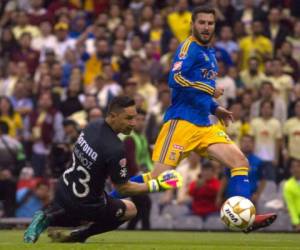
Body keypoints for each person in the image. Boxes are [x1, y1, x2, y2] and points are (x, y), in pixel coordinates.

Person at [110, 5, 276, 233]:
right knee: (156, 179)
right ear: (193, 24)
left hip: (204, 125)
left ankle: (246, 217)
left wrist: (216, 108)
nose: (206, 27)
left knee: (240, 163)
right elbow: (175, 79)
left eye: (210, 23)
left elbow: (198, 94)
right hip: (181, 124)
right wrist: (209, 90)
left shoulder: (210, 53)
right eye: (202, 22)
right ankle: (102, 205)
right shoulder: (189, 48)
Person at [23, 96, 182, 243]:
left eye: (134, 118)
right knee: (131, 209)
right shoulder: (115, 149)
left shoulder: (92, 126)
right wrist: (156, 186)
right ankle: (79, 235)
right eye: (128, 118)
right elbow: (124, 188)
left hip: (63, 189)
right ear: (113, 116)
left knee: (96, 202)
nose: (133, 123)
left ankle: (47, 216)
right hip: (85, 204)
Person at [217, 135, 266, 206]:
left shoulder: (258, 162)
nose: (247, 144)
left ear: (253, 144)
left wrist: (257, 194)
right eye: (244, 141)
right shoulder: (231, 159)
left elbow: (263, 181)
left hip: (250, 199)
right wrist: (219, 196)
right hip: (231, 198)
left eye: (249, 142)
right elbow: (225, 178)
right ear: (240, 143)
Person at [283, 158, 300, 232]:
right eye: (293, 167)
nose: (296, 169)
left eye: (298, 166)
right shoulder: (288, 185)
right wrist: (297, 223)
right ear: (290, 169)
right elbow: (291, 206)